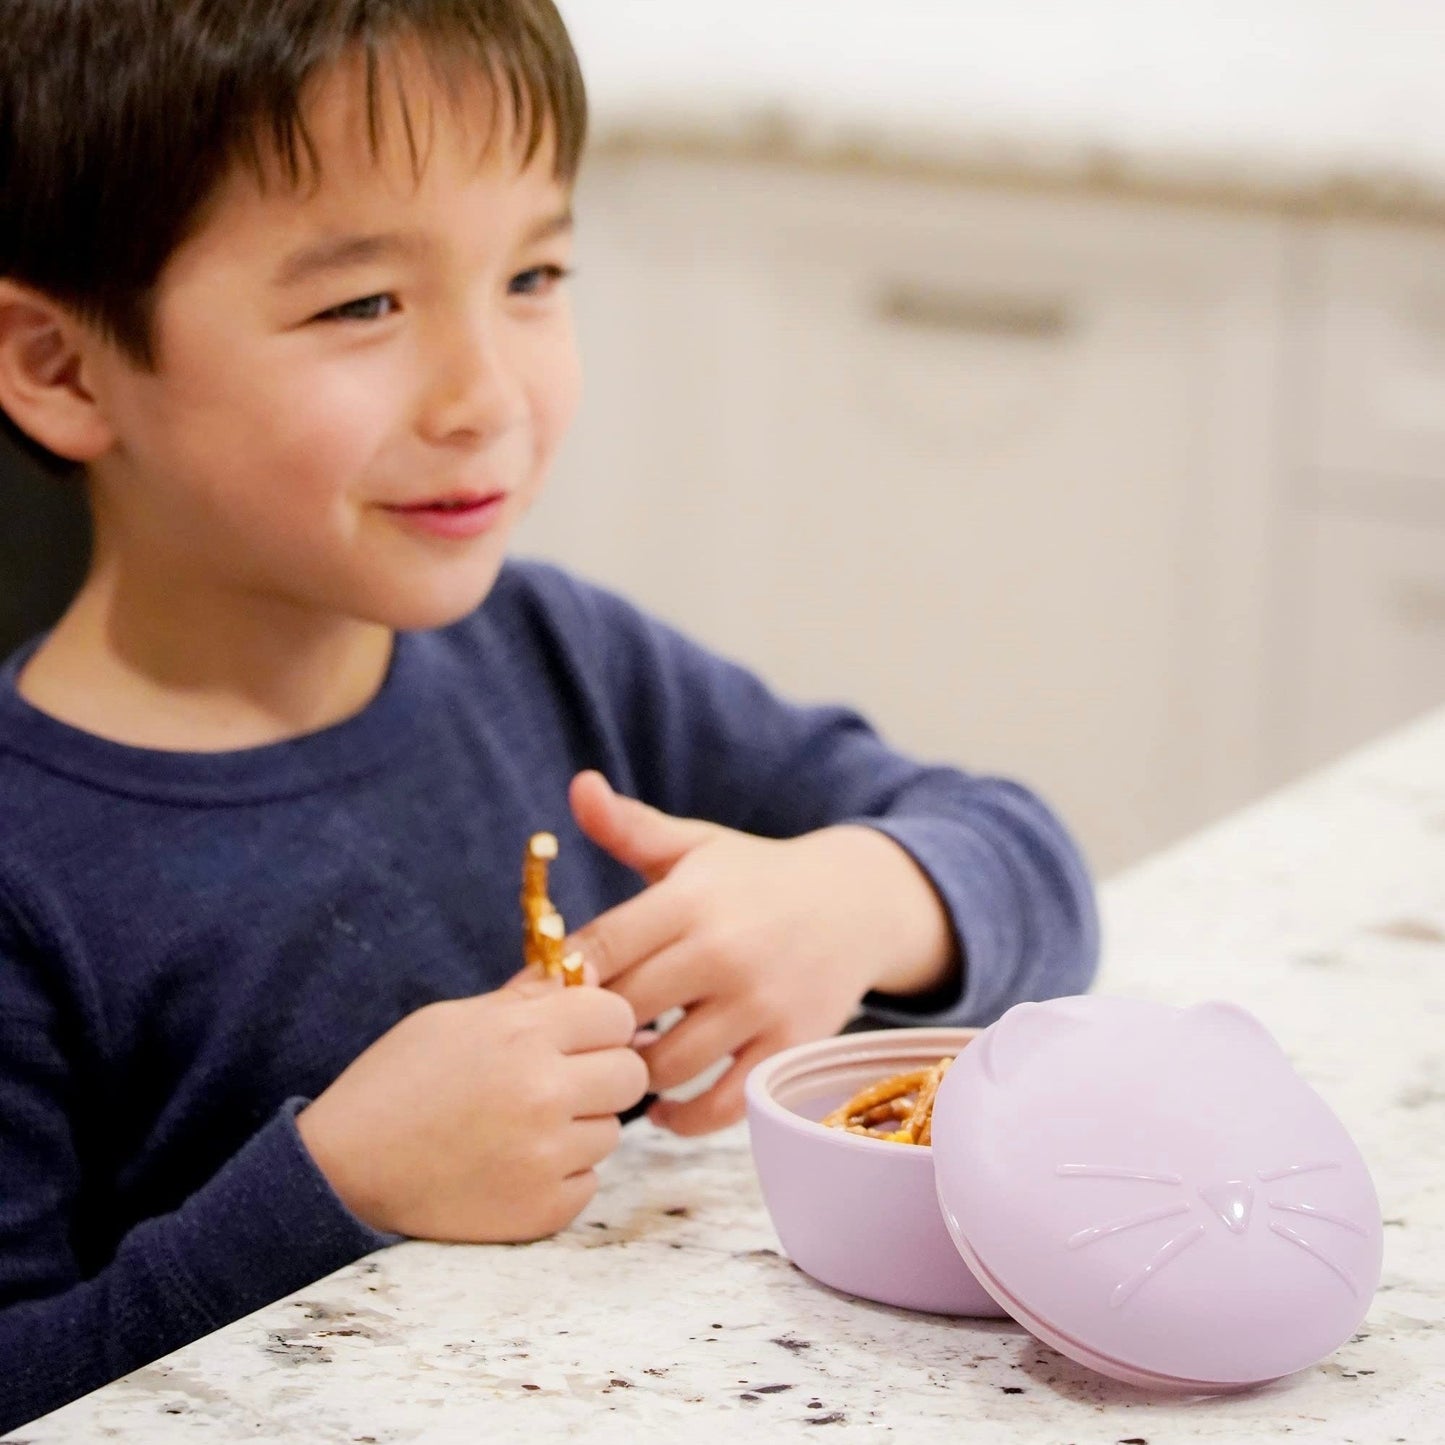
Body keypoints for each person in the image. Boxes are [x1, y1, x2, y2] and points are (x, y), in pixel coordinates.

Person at [0, 0, 1099, 1428]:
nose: (486, 394)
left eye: (531, 275)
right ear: (63, 368)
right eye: (362, 305)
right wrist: (336, 1189)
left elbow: (1029, 866)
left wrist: (857, 897)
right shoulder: (25, 865)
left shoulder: (562, 655)